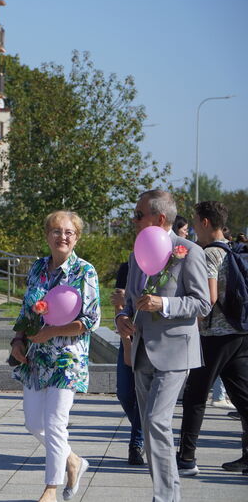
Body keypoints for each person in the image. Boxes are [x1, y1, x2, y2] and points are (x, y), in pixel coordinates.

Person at [115, 190, 210, 502]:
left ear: (159, 218)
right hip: (142, 350)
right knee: (151, 425)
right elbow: (129, 300)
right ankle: (168, 494)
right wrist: (122, 318)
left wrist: (163, 303)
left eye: (138, 214)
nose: (133, 220)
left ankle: (165, 497)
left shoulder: (189, 251)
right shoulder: (136, 252)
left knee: (156, 421)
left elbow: (202, 303)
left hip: (175, 351)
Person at [10, 211, 100, 502]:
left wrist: (53, 332)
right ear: (47, 235)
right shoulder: (37, 268)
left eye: (69, 232)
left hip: (67, 359)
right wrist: (17, 340)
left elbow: (90, 320)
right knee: (33, 423)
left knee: (55, 423)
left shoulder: (85, 271)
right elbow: (27, 311)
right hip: (36, 358)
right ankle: (73, 460)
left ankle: (51, 488)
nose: (62, 236)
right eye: (56, 231)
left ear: (77, 238)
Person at [177, 201, 248, 475]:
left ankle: (186, 456)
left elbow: (208, 299)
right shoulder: (230, 249)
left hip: (215, 335)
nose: (193, 226)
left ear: (205, 222)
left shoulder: (209, 254)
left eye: (195, 221)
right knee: (242, 397)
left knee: (195, 395)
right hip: (239, 332)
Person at [111, 261, 144, 466]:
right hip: (129, 334)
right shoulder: (127, 267)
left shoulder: (167, 266)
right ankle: (148, 431)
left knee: (142, 395)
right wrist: (125, 340)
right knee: (124, 393)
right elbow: (118, 304)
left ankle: (136, 444)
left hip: (154, 337)